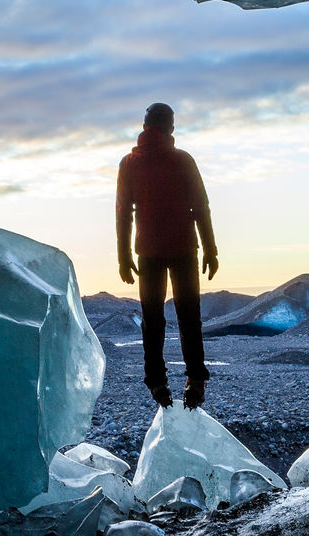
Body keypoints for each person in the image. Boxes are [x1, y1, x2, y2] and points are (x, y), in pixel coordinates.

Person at [115, 102, 219, 409]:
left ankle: (157, 382)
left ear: (146, 127)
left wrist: (123, 255)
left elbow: (123, 214)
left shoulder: (129, 163)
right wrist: (210, 249)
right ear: (171, 128)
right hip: (184, 248)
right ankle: (196, 381)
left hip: (147, 251)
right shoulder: (183, 160)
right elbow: (201, 207)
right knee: (189, 318)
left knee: (152, 319)